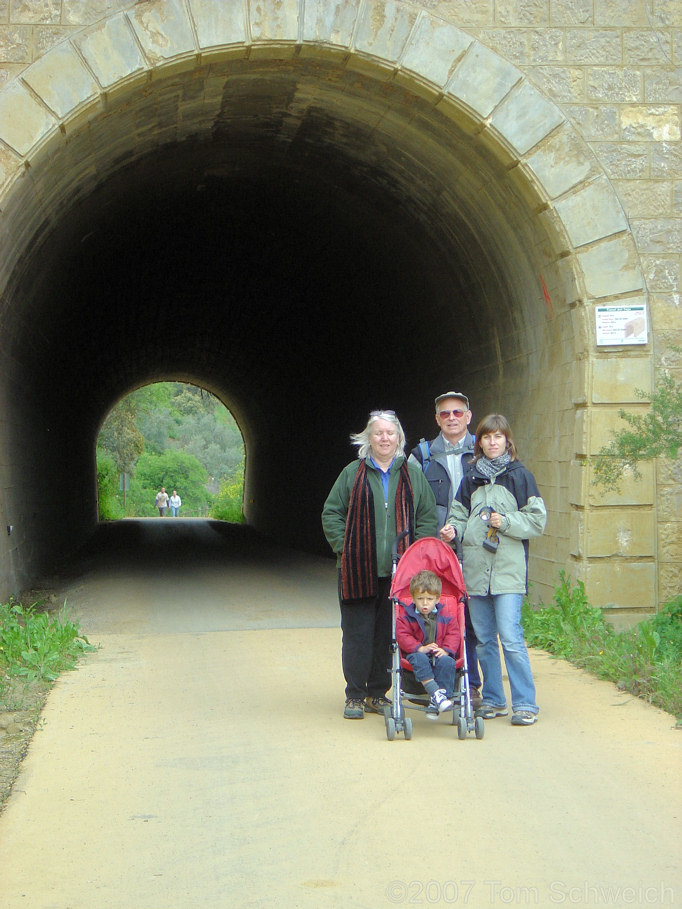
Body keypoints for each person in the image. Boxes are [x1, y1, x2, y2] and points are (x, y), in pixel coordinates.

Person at [322, 410, 438, 720]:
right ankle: (355, 695)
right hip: (357, 569)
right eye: (378, 433)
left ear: (399, 438)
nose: (384, 438)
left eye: (390, 433)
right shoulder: (352, 473)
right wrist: (344, 549)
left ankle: (377, 693)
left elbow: (426, 516)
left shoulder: (413, 475)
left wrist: (419, 555)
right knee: (357, 633)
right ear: (368, 438)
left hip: (401, 573)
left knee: (388, 635)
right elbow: (331, 513)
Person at [440, 414, 546, 726]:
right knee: (484, 638)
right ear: (480, 442)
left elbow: (537, 521)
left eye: (498, 437)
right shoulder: (471, 477)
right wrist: (452, 530)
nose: (492, 442)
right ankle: (494, 700)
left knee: (511, 637)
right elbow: (458, 513)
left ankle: (525, 703)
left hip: (508, 573)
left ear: (507, 441)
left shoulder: (520, 476)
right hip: (475, 572)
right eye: (487, 437)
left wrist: (507, 522)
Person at [409, 391, 482, 706]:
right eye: (444, 414)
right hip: (437, 554)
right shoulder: (421, 456)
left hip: (477, 550)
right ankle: (435, 685)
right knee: (439, 614)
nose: (451, 418)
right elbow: (409, 503)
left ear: (468, 416)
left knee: (473, 621)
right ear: (436, 419)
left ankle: (474, 687)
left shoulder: (486, 450)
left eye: (457, 412)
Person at [395, 569, 459, 718]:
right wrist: (420, 648)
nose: (425, 603)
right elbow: (403, 636)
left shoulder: (446, 616)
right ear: (412, 598)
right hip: (417, 654)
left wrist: (446, 650)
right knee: (419, 658)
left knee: (447, 662)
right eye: (420, 598)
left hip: (439, 653)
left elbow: (454, 634)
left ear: (437, 599)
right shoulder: (406, 617)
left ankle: (436, 701)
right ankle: (436, 693)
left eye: (429, 599)